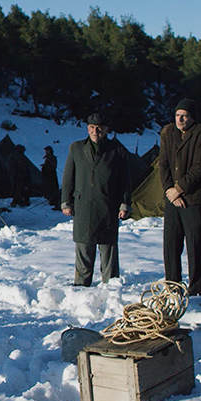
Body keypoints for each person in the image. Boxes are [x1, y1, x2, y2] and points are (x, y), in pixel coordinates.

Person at [61, 113, 132, 286]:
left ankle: (112, 286)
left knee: (108, 249)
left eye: (99, 128)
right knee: (84, 248)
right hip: (83, 205)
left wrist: (125, 204)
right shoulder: (77, 148)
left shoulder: (117, 150)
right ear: (87, 128)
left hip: (108, 206)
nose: (95, 131)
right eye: (92, 128)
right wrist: (66, 201)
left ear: (106, 130)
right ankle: (81, 285)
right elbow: (68, 177)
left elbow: (125, 180)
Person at [158, 98, 201, 296]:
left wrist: (179, 188)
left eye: (185, 116)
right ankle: (172, 285)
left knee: (194, 245)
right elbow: (162, 164)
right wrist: (170, 191)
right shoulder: (168, 132)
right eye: (177, 115)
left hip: (193, 198)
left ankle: (196, 288)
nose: (180, 119)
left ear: (192, 117)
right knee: (171, 244)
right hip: (172, 198)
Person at [41, 145, 60, 209]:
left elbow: (52, 167)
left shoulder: (52, 158)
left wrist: (45, 167)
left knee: (52, 188)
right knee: (48, 188)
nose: (46, 152)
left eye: (47, 151)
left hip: (51, 176)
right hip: (47, 176)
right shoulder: (47, 158)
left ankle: (53, 200)